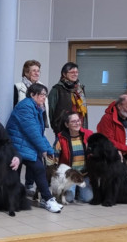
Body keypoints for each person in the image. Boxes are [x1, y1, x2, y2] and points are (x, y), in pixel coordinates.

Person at [6, 84, 63, 213]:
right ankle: (46, 199)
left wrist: (49, 149)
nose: (44, 98)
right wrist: (45, 150)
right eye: (41, 95)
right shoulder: (25, 107)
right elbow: (33, 132)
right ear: (32, 95)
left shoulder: (36, 107)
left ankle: (46, 199)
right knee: (38, 168)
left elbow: (39, 133)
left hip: (25, 145)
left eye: (45, 95)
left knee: (39, 169)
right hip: (17, 146)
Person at [13, 58, 48, 195]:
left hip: (38, 125)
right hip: (23, 127)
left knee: (35, 155)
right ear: (26, 72)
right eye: (33, 71)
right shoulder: (18, 87)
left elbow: (44, 108)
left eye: (38, 71)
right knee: (22, 156)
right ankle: (16, 188)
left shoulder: (42, 87)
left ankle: (29, 184)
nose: (37, 73)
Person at [54, 112, 94, 203]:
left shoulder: (88, 134)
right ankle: (74, 190)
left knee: (88, 198)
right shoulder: (61, 138)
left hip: (84, 174)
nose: (77, 123)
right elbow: (54, 155)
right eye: (73, 121)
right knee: (68, 199)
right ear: (67, 124)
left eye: (78, 121)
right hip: (70, 176)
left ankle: (78, 191)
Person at [47, 62, 87, 134]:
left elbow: (84, 111)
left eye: (76, 72)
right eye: (72, 72)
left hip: (80, 127)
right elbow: (50, 110)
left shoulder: (80, 89)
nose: (75, 74)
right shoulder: (57, 89)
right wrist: (56, 127)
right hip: (62, 129)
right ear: (64, 74)